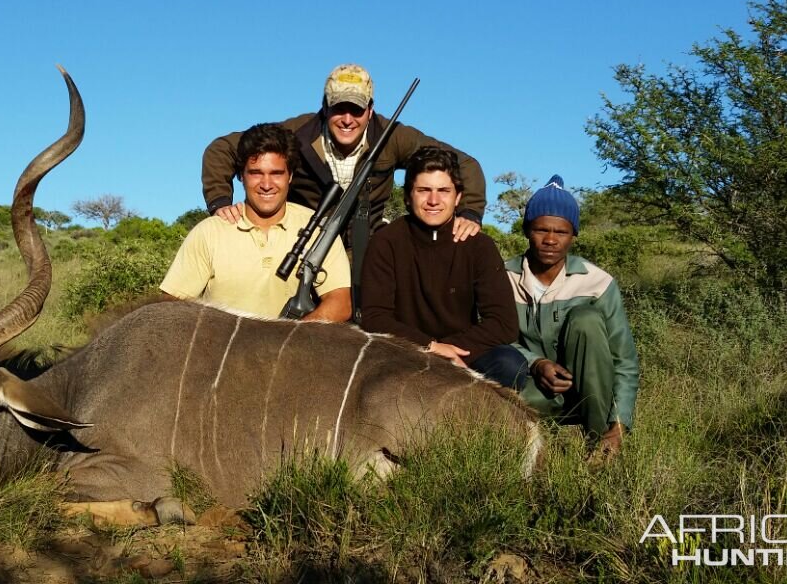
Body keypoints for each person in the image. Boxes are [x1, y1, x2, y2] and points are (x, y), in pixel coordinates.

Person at [201, 64, 488, 309]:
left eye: (357, 109)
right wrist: (219, 202)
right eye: (339, 108)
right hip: (306, 247)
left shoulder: (393, 137)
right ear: (325, 106)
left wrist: (470, 214)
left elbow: (464, 162)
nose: (348, 119)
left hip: (370, 251)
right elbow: (222, 149)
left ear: (371, 109)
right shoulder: (296, 133)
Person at [360, 148, 526, 389]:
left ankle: (480, 425)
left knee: (510, 364)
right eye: (423, 190)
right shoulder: (385, 242)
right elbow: (375, 317)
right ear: (408, 196)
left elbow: (504, 323)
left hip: (463, 354)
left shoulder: (479, 245)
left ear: (458, 197)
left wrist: (451, 350)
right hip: (404, 351)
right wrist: (431, 347)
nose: (433, 201)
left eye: (443, 191)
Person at [505, 175, 639, 462]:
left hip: (590, 395)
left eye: (561, 232)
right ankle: (524, 453)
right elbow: (490, 339)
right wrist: (535, 363)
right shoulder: (502, 277)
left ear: (573, 235)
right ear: (527, 230)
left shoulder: (597, 282)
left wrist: (618, 425)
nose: (551, 240)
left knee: (587, 320)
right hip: (534, 391)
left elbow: (624, 361)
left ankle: (598, 447)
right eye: (541, 229)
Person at [161, 123, 352, 321]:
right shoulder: (210, 232)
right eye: (256, 173)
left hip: (292, 349)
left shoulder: (318, 229)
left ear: (290, 176)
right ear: (241, 177)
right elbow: (171, 307)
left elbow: (341, 303)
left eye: (276, 173)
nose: (266, 185)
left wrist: (290, 339)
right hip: (223, 350)